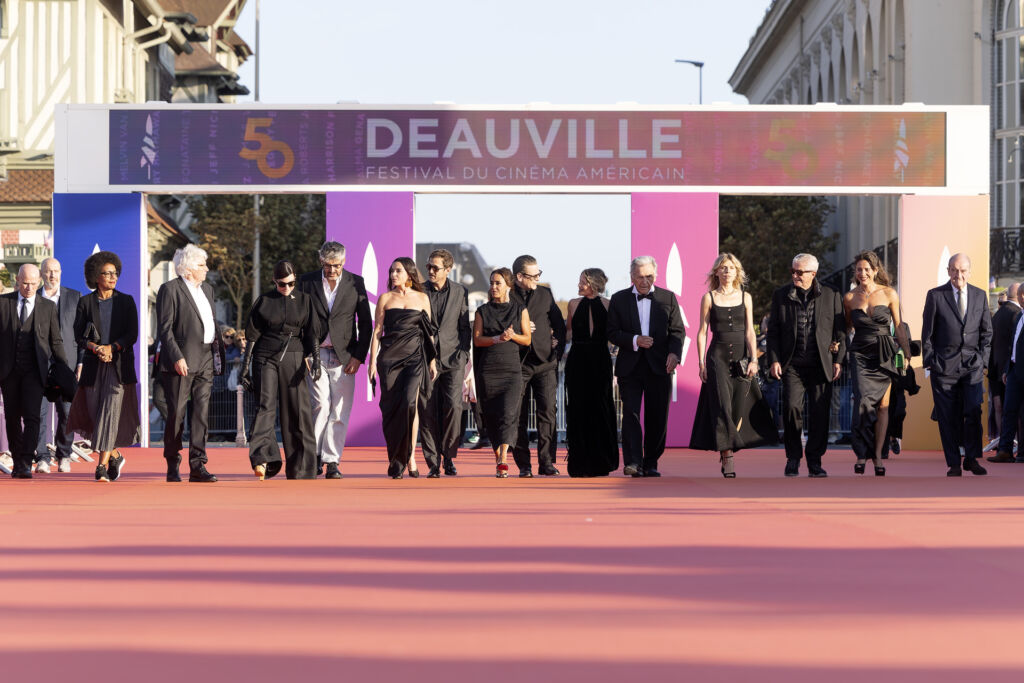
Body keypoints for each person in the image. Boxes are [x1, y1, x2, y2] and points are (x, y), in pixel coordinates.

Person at [690, 253, 777, 477]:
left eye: (731, 268)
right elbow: (701, 332)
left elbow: (750, 331)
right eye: (723, 268)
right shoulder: (708, 298)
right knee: (722, 405)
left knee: (737, 408)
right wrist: (700, 362)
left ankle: (727, 445)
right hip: (716, 356)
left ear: (737, 272)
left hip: (741, 357)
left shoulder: (745, 297)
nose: (727, 271)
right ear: (716, 272)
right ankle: (727, 455)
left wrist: (754, 359)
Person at [765, 253, 847, 478]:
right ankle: (793, 458)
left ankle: (815, 461)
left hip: (822, 365)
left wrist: (838, 360)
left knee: (820, 413)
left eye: (799, 272)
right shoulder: (781, 295)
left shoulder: (831, 295)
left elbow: (840, 331)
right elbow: (773, 332)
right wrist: (773, 359)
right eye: (792, 271)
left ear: (813, 274)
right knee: (791, 409)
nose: (795, 275)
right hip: (792, 365)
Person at [299, 241, 372, 479]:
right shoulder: (307, 281)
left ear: (344, 262)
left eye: (337, 265)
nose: (332, 270)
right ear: (321, 261)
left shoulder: (355, 282)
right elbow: (299, 321)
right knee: (319, 406)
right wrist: (305, 353)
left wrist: (359, 357)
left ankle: (332, 461)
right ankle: (315, 456)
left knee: (340, 411)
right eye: (328, 265)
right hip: (315, 354)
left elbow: (365, 324)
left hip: (345, 356)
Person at [242, 260, 320, 480]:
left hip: (294, 356)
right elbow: (252, 336)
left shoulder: (305, 301)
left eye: (291, 283)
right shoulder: (264, 301)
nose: (286, 288)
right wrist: (244, 368)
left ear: (296, 278)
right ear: (274, 281)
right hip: (265, 356)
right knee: (265, 406)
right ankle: (264, 459)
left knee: (298, 410)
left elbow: (312, 333)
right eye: (282, 284)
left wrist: (316, 361)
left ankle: (302, 467)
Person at [607, 256, 684, 478]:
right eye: (640, 277)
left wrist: (674, 353)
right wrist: (635, 340)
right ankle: (632, 462)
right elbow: (611, 332)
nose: (644, 281)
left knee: (657, 416)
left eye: (649, 276)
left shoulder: (667, 298)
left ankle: (651, 462)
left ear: (655, 276)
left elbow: (677, 330)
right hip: (630, 368)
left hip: (660, 367)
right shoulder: (619, 299)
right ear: (632, 277)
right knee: (630, 414)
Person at [67, 252, 141, 482]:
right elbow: (78, 335)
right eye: (107, 273)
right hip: (93, 366)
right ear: (95, 276)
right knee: (94, 414)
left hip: (118, 367)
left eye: (115, 273)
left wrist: (112, 347)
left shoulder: (126, 301)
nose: (112, 277)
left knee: (109, 413)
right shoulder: (85, 303)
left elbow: (132, 334)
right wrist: (95, 348)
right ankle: (115, 455)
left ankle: (100, 467)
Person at [155, 244, 223, 483]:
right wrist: (176, 357)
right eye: (202, 265)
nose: (207, 269)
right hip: (180, 362)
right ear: (188, 269)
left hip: (205, 358)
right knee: (176, 414)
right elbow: (165, 328)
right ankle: (173, 463)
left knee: (201, 414)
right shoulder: (170, 290)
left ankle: (198, 465)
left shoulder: (208, 289)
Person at [921, 253, 992, 476]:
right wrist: (931, 361)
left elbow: (987, 333)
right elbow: (927, 334)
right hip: (943, 367)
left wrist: (982, 361)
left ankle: (971, 459)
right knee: (947, 416)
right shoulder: (935, 296)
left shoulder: (980, 296)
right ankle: (953, 462)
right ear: (948, 271)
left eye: (962, 271)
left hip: (972, 366)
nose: (958, 275)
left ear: (969, 272)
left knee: (972, 411)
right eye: (954, 270)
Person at [368, 257, 438, 479]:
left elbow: (430, 333)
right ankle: (396, 457)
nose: (393, 275)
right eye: (391, 271)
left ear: (409, 273)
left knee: (411, 404)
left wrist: (432, 361)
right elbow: (377, 331)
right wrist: (371, 363)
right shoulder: (385, 299)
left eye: (398, 271)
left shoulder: (423, 298)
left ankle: (409, 456)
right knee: (391, 410)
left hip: (415, 357)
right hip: (389, 359)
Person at [843, 251, 912, 476]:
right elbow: (846, 327)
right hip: (861, 355)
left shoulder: (889, 293)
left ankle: (878, 458)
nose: (861, 273)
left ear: (875, 270)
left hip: (885, 353)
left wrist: (907, 353)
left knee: (883, 407)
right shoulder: (850, 298)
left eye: (866, 269)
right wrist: (836, 347)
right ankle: (862, 454)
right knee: (863, 401)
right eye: (858, 270)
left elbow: (899, 326)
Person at [0, 264, 68, 479]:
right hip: (8, 372)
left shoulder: (47, 307)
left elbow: (55, 340)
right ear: (17, 281)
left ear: (39, 282)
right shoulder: (3, 303)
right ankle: (18, 459)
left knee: (32, 417)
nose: (29, 287)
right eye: (25, 283)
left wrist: (64, 368)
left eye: (33, 283)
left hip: (35, 372)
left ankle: (26, 461)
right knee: (11, 417)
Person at [509, 255, 566, 477]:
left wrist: (557, 352)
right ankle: (524, 465)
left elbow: (559, 325)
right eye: (533, 276)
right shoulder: (507, 295)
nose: (537, 279)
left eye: (538, 274)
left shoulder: (545, 294)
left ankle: (547, 463)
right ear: (519, 277)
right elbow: (496, 322)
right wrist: (518, 326)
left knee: (548, 414)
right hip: (518, 363)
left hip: (545, 363)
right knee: (518, 416)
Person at [474, 268, 532, 477]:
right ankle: (498, 456)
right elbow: (477, 340)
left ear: (508, 285)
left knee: (508, 413)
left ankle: (504, 458)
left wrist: (513, 335)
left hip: (511, 371)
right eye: (492, 283)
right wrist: (497, 339)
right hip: (488, 370)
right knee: (491, 416)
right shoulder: (482, 311)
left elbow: (527, 339)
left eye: (498, 283)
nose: (493, 287)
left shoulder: (520, 310)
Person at [418, 249, 471, 478]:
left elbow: (464, 326)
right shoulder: (419, 290)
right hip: (426, 358)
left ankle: (448, 456)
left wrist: (464, 355)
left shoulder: (460, 291)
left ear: (448, 269)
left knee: (453, 408)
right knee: (428, 410)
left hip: (453, 359)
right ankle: (432, 462)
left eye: (435, 267)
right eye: (428, 266)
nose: (430, 270)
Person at [564, 268, 619, 477]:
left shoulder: (608, 304)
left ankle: (601, 462)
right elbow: (568, 331)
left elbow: (613, 333)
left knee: (601, 407)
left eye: (582, 281)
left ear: (593, 284)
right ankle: (579, 463)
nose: (578, 285)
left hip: (600, 359)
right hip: (577, 359)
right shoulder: (572, 304)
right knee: (578, 408)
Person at [36, 257, 82, 474]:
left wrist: (81, 362)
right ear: (41, 274)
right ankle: (42, 458)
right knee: (38, 413)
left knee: (66, 413)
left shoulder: (74, 297)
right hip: (39, 365)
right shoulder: (33, 298)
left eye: (55, 271)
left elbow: (83, 334)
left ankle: (64, 454)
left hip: (67, 364)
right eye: (48, 271)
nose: (52, 275)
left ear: (61, 273)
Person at [988, 283, 1023, 462]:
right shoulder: (1017, 316)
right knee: (1009, 410)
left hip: (1013, 369)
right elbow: (1013, 345)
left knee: (1014, 411)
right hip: (1012, 371)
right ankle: (1006, 449)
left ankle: (1017, 450)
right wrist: (1007, 369)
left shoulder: (1008, 314)